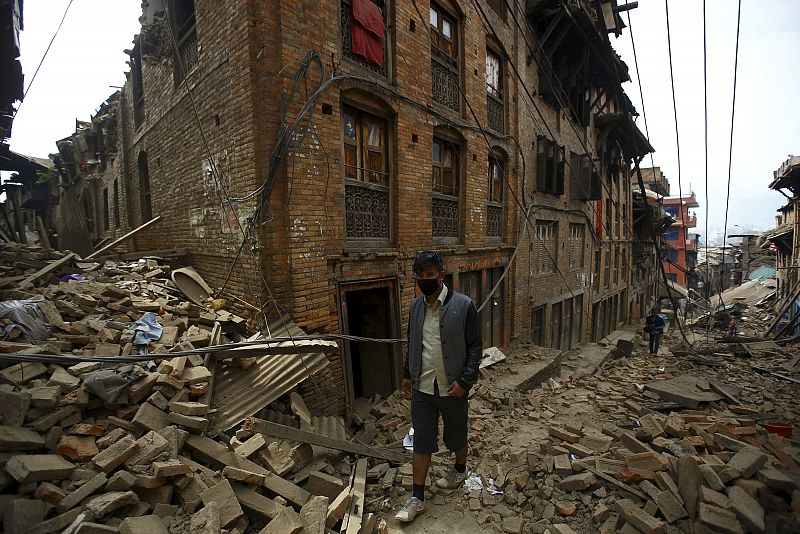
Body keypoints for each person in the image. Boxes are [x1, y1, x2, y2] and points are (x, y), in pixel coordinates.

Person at [395, 251, 483, 523]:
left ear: (441, 276)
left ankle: (459, 469)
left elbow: (475, 347)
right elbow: (413, 341)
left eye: (430, 276)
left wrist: (466, 381)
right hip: (423, 388)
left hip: (452, 387)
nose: (425, 281)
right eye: (420, 276)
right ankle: (417, 498)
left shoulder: (464, 305)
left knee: (456, 435)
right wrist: (408, 372)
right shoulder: (414, 307)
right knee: (421, 441)